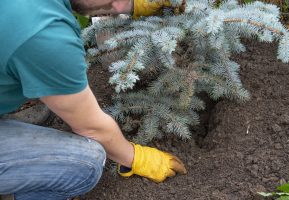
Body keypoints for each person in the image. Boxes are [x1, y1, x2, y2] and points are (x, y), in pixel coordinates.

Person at [0, 0, 187, 199]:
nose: (118, 3)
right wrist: (137, 157)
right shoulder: (44, 33)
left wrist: (132, 4)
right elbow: (91, 128)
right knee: (86, 163)